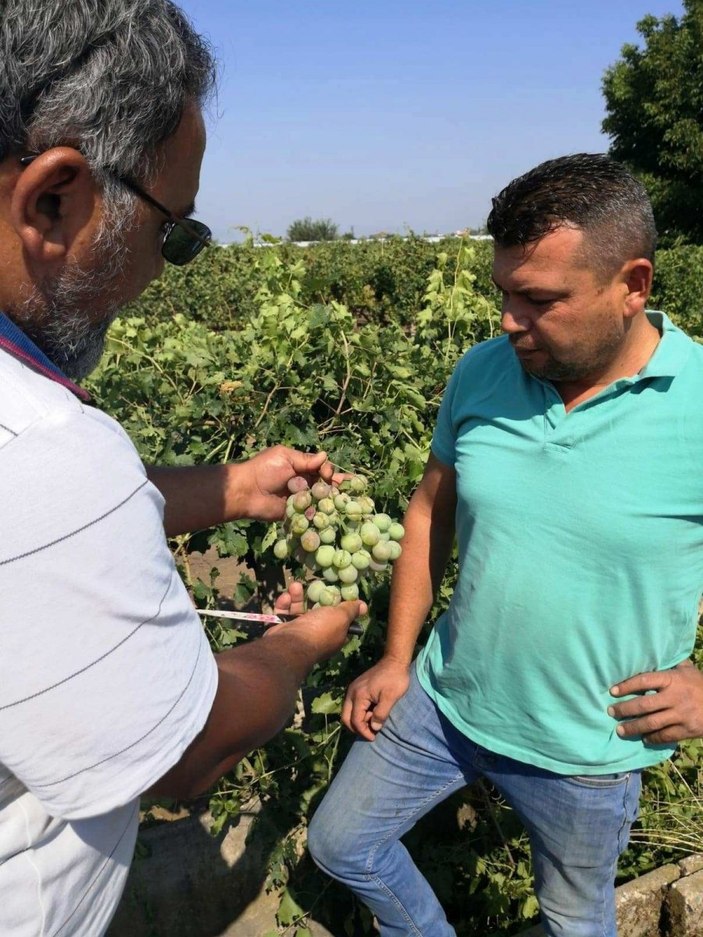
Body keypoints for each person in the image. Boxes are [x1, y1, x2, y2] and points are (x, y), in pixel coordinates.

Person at [0, 3, 365, 935]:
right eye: (178, 232)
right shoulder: (41, 449)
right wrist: (298, 644)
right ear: (53, 197)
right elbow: (184, 754)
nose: (168, 267)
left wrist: (234, 487)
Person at [307, 153, 703, 936]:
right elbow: (428, 511)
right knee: (340, 841)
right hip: (446, 699)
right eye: (502, 293)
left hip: (588, 747)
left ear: (632, 285)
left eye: (538, 299)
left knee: (571, 916)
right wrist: (395, 654)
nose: (507, 321)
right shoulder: (482, 372)